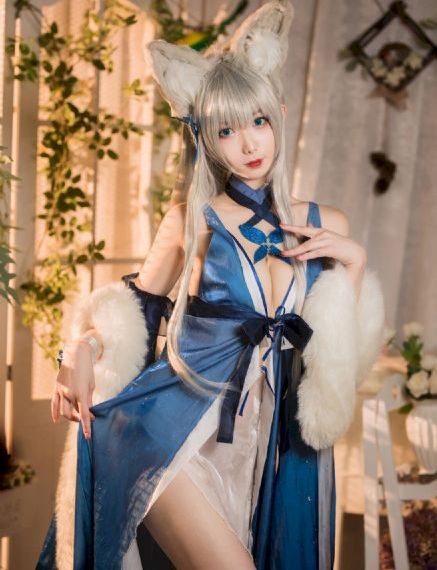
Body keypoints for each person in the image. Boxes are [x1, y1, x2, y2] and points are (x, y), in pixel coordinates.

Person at [36, 2, 385, 569]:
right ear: (203, 138)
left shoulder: (328, 225)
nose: (249, 144)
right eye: (227, 129)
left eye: (258, 121)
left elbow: (338, 368)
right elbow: (134, 312)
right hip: (171, 436)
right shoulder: (189, 220)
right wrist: (78, 348)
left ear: (280, 116)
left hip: (267, 452)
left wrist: (357, 264)